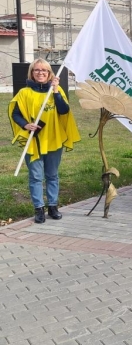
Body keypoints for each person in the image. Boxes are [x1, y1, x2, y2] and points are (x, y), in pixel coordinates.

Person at [9, 59, 80, 223]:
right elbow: (16, 114)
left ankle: (53, 207)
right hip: (33, 141)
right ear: (32, 73)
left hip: (53, 139)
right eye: (37, 70)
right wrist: (25, 125)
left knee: (52, 175)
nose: (40, 73)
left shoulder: (56, 90)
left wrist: (55, 91)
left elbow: (64, 110)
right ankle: (39, 209)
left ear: (49, 73)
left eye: (44, 70)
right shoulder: (24, 93)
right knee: (35, 176)